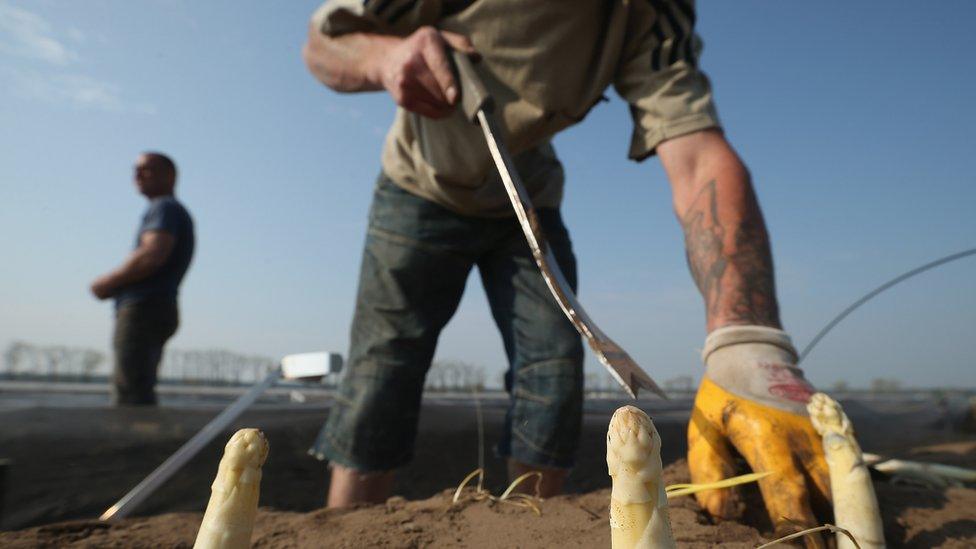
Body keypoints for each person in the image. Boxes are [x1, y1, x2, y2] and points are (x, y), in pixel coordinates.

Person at [302, 1, 829, 540]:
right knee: (381, 373)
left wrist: (747, 346)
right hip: (418, 189)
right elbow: (322, 46)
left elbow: (695, 154)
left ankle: (525, 530)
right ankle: (345, 532)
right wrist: (387, 56)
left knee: (552, 371)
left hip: (527, 200)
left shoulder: (648, 12)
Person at [90, 152, 195, 406]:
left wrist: (108, 282)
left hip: (144, 308)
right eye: (135, 169)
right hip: (154, 307)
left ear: (169, 175)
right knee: (136, 386)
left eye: (146, 169)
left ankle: (132, 443)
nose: (137, 175)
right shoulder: (167, 210)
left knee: (131, 394)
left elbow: (152, 254)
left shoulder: (164, 208)